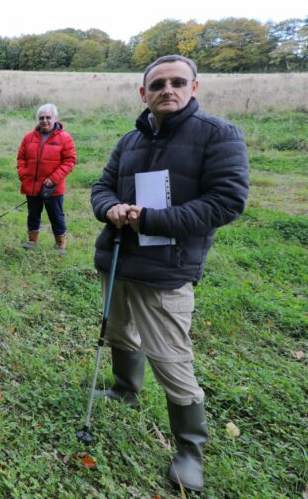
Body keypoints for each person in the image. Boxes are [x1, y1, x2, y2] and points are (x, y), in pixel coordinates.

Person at [90, 55, 249, 492]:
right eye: (157, 84)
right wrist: (111, 208)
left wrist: (152, 219)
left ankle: (189, 451)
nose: (167, 89)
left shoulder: (218, 136)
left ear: (194, 87)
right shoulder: (129, 140)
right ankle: (125, 389)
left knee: (171, 360)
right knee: (120, 333)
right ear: (143, 93)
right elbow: (101, 187)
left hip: (167, 271)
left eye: (178, 82)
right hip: (119, 259)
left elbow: (227, 202)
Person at [16, 103, 77, 254]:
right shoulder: (28, 138)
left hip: (53, 188)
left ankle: (60, 244)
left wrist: (54, 179)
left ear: (55, 118)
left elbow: (70, 161)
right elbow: (21, 158)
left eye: (48, 117)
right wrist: (24, 175)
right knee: (33, 214)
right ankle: (32, 241)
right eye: (41, 118)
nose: (44, 120)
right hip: (31, 186)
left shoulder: (65, 138)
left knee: (56, 216)